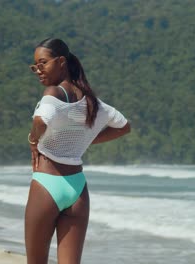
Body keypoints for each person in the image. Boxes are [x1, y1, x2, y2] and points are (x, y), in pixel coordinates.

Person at [25, 38, 131, 264]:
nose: (38, 70)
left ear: (61, 61)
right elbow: (123, 126)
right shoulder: (92, 101)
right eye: (35, 66)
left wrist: (33, 140)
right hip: (78, 190)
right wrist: (84, 139)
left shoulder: (53, 93)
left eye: (42, 63)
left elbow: (41, 121)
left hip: (47, 184)